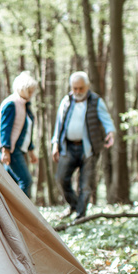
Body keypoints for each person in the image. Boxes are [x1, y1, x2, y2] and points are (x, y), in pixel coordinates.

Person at [51, 71, 116, 218]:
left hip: (88, 149)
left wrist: (110, 133)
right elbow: (58, 125)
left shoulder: (96, 101)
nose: (78, 92)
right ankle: (74, 205)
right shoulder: (66, 101)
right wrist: (55, 144)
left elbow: (107, 120)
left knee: (85, 185)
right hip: (68, 147)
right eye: (75, 88)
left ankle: (80, 215)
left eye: (81, 88)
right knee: (61, 179)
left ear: (87, 86)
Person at [0, 71, 39, 198]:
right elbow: (5, 129)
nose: (31, 94)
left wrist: (31, 151)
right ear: (22, 89)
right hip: (11, 149)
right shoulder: (11, 104)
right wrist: (5, 150)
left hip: (19, 148)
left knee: (12, 183)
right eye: (29, 91)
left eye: (32, 91)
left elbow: (26, 130)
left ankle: (11, 214)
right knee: (26, 181)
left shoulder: (25, 105)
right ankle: (22, 215)